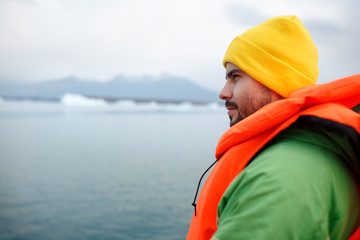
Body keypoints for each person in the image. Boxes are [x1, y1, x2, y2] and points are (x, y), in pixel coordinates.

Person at [187, 15, 360, 240]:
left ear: (275, 82)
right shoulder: (301, 152)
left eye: (235, 77)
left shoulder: (282, 179)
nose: (223, 92)